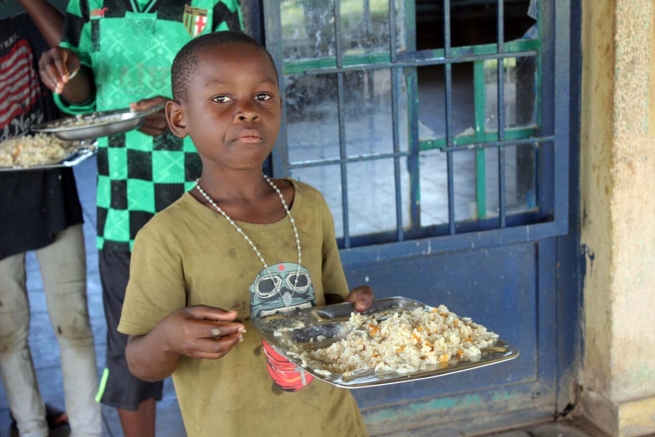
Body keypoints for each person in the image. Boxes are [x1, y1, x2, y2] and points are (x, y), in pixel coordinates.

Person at [117, 31, 374, 437]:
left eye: (263, 97)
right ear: (179, 118)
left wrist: (353, 308)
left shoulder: (308, 205)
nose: (246, 112)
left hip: (332, 424)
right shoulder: (167, 237)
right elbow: (140, 363)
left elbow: (332, 309)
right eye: (221, 99)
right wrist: (168, 339)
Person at [37, 2, 243, 436]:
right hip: (123, 209)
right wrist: (66, 72)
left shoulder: (212, 5)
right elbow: (84, 94)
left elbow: (240, 92)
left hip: (206, 200)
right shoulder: (89, 4)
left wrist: (179, 110)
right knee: (131, 350)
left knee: (223, 336)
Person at [0, 1, 102, 436]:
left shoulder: (30, 16)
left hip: (49, 187)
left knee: (73, 321)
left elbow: (76, 51)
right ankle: (30, 426)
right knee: (8, 331)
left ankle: (89, 428)